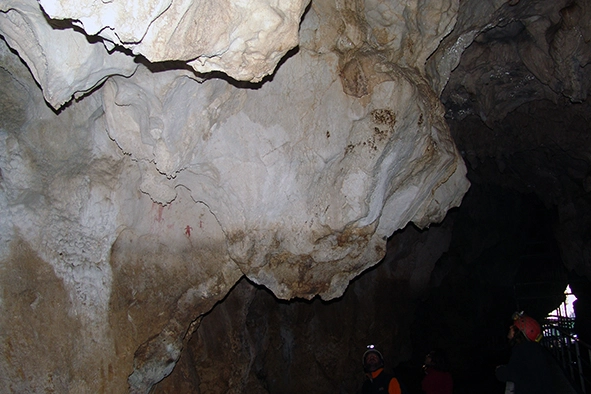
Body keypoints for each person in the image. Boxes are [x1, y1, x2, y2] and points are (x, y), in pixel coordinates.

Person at [495, 312, 554, 394]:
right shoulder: (534, 351)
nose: (510, 327)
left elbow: (513, 373)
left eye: (514, 327)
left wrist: (499, 370)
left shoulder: (522, 351)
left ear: (519, 333)